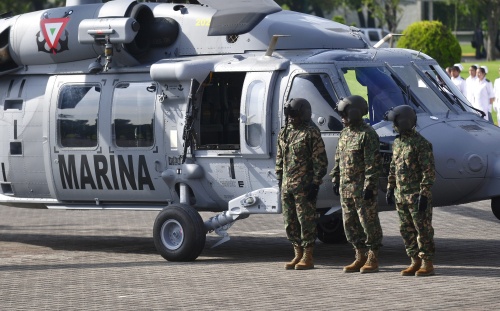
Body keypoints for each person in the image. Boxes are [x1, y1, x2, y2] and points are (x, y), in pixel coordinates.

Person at [330, 95, 383, 273]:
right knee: (349, 224)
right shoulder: (345, 133)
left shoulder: (367, 135)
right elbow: (339, 158)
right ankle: (359, 255)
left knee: (368, 223)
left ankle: (372, 256)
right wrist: (335, 177)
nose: (342, 118)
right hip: (346, 188)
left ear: (354, 113)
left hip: (362, 189)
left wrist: (369, 186)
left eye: (345, 114)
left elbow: (372, 164)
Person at [276, 98, 328, 270]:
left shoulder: (311, 132)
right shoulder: (284, 132)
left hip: (304, 187)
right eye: (289, 115)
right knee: (290, 221)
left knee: (306, 221)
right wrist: (279, 179)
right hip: (287, 186)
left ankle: (308, 255)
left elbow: (320, 161)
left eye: (294, 115)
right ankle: (297, 253)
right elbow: (280, 158)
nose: (291, 118)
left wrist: (315, 184)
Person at [384, 105, 436, 276]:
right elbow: (393, 167)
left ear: (404, 122)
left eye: (396, 122)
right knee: (406, 229)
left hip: (416, 196)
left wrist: (424, 193)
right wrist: (390, 187)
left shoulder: (421, 144)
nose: (394, 126)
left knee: (422, 229)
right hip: (401, 196)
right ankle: (414, 260)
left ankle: (427, 262)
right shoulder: (397, 143)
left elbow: (428, 172)